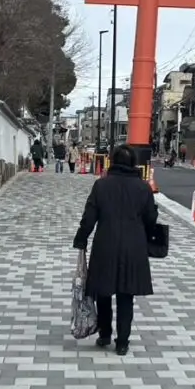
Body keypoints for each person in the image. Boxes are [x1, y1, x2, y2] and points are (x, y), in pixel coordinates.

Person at [72, 145, 159, 355]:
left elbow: (89, 216)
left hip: (105, 244)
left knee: (102, 291)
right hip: (133, 246)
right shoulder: (143, 188)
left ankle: (104, 333)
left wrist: (81, 239)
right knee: (125, 294)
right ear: (133, 163)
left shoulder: (101, 186)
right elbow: (151, 218)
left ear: (112, 161)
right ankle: (122, 342)